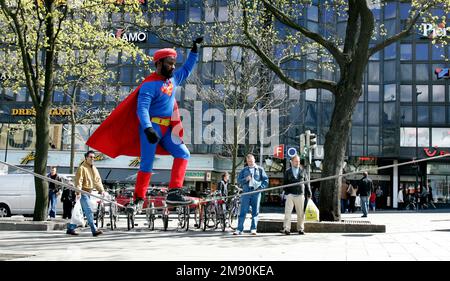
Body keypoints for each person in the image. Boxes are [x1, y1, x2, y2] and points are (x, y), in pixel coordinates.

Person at [86, 37, 203, 210]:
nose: (173, 66)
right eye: (170, 63)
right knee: (147, 163)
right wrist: (147, 128)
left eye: (173, 63)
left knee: (183, 154)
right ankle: (139, 198)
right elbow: (142, 109)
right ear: (159, 63)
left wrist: (195, 51)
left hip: (167, 128)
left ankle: (174, 192)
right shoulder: (149, 85)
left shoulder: (173, 80)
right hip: (152, 128)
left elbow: (187, 69)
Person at [66, 151, 105, 236]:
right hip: (83, 192)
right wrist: (78, 192)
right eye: (91, 157)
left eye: (94, 157)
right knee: (89, 211)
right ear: (86, 158)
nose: (92, 159)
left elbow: (97, 181)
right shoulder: (82, 168)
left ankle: (70, 228)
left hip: (88, 193)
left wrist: (101, 190)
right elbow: (78, 181)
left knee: (81, 212)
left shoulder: (94, 168)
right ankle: (94, 230)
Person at [234, 154, 269, 235]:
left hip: (256, 193)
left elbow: (266, 180)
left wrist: (260, 188)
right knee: (243, 211)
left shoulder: (260, 169)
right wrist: (246, 179)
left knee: (255, 211)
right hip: (246, 192)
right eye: (248, 161)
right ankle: (239, 229)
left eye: (251, 161)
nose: (250, 163)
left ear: (254, 160)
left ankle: (253, 229)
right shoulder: (244, 170)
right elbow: (239, 181)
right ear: (247, 161)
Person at [280, 155, 311, 235]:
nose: (298, 163)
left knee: (300, 213)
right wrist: (286, 193)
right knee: (288, 212)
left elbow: (307, 182)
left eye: (299, 161)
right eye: (296, 161)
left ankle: (300, 229)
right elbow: (284, 183)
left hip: (300, 194)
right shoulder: (287, 171)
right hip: (290, 194)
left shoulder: (303, 171)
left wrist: (309, 192)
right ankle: (287, 229)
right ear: (291, 162)